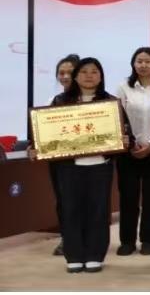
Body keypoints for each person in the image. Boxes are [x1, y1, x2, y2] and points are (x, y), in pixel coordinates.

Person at [44, 57, 130, 273]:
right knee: (70, 209)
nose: (89, 76)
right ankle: (73, 255)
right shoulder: (60, 101)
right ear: (75, 76)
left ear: (101, 76)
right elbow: (48, 133)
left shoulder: (111, 102)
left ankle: (95, 255)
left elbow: (126, 131)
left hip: (100, 165)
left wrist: (125, 139)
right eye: (84, 72)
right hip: (68, 166)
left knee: (98, 210)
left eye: (94, 72)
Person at [115, 47, 150, 256]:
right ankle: (127, 241)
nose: (143, 65)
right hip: (129, 152)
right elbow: (117, 117)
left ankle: (148, 240)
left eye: (147, 61)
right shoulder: (123, 87)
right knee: (128, 197)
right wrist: (131, 144)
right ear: (133, 64)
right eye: (139, 61)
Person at [49, 53, 80, 257]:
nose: (65, 76)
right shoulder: (55, 101)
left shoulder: (92, 100)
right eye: (61, 73)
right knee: (63, 201)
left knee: (84, 201)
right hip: (60, 161)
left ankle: (86, 239)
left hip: (87, 161)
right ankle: (66, 238)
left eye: (70, 72)